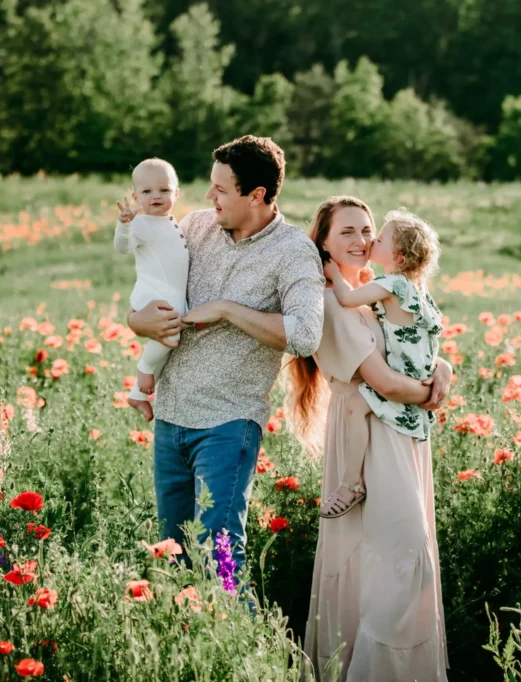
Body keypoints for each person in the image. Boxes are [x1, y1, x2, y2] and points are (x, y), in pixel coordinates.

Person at [126, 136, 324, 572]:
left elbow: (306, 335)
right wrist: (137, 321)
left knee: (221, 556)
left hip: (228, 425)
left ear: (256, 196)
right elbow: (149, 288)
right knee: (171, 557)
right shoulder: (195, 227)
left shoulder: (293, 252)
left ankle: (242, 635)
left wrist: (228, 310)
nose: (207, 196)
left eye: (220, 189)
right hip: (171, 418)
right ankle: (187, 636)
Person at [286, 196, 451, 681]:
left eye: (367, 231)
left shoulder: (374, 293)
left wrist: (442, 366)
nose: (361, 241)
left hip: (397, 431)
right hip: (371, 431)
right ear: (323, 243)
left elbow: (412, 345)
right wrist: (433, 390)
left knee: (399, 553)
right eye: (348, 233)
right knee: (395, 551)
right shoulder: (331, 300)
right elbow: (384, 381)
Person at [319, 209, 443, 518]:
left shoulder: (390, 285)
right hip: (413, 373)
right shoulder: (415, 288)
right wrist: (438, 372)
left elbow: (348, 299)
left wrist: (334, 274)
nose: (371, 240)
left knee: (355, 409)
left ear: (398, 256)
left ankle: (350, 483)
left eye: (378, 236)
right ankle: (351, 483)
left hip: (401, 380)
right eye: (348, 231)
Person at [113, 158, 188, 422]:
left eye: (164, 190)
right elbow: (123, 247)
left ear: (176, 194)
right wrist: (124, 225)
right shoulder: (141, 225)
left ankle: (138, 395)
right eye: (147, 192)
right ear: (136, 197)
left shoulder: (173, 223)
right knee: (169, 336)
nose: (156, 196)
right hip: (151, 293)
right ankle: (143, 368)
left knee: (170, 340)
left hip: (169, 293)